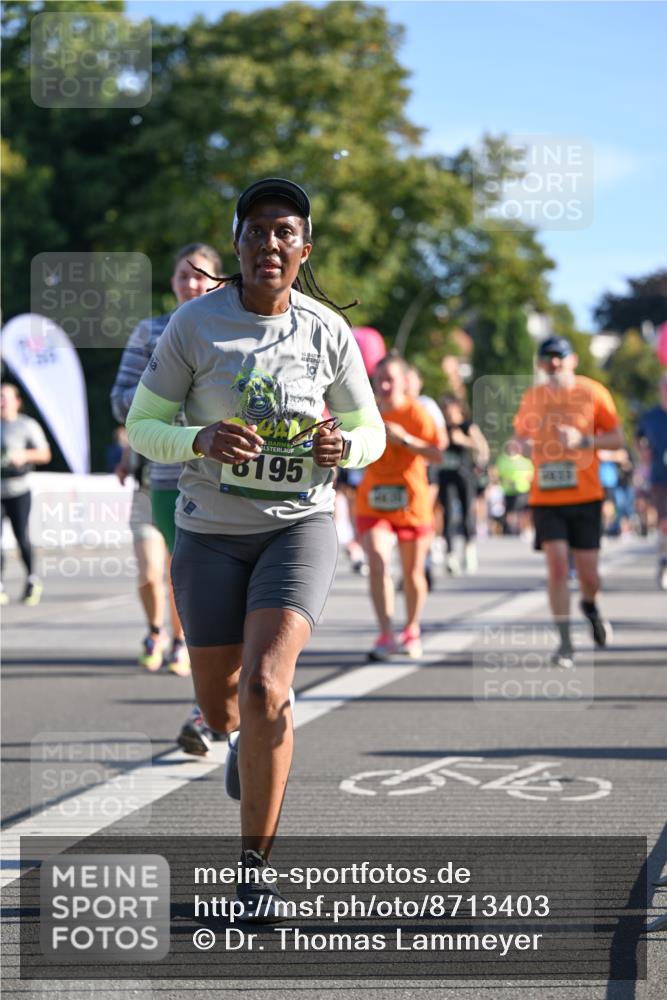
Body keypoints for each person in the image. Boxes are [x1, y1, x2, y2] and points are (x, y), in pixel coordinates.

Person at [126, 178, 385, 919]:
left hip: (296, 525)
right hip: (208, 531)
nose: (270, 243)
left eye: (285, 232)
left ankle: (253, 869)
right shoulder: (193, 324)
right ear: (236, 242)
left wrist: (347, 446)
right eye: (257, 229)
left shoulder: (325, 331)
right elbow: (142, 424)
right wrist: (196, 438)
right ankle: (234, 734)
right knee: (222, 702)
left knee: (268, 685)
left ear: (304, 250)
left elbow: (370, 430)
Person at [111, 243, 222, 681]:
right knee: (149, 567)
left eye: (201, 275)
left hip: (210, 476)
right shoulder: (150, 332)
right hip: (155, 473)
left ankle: (183, 641)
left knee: (183, 572)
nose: (192, 283)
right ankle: (156, 632)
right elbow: (119, 402)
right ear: (172, 282)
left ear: (217, 281)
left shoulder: (228, 332)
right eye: (183, 275)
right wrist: (158, 404)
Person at [513, 335, 624, 668]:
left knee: (589, 576)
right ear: (540, 364)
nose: (553, 364)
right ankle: (564, 642)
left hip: (586, 496)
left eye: (559, 357)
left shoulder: (592, 392)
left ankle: (590, 606)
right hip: (546, 496)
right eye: (546, 358)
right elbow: (520, 435)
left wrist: (584, 439)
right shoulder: (533, 397)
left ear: (572, 359)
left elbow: (618, 438)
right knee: (558, 567)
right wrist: (518, 446)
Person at [356, 353, 445, 660]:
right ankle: (386, 634)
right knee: (378, 561)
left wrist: (405, 440)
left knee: (412, 573)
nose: (383, 385)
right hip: (373, 501)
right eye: (378, 379)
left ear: (405, 382)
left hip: (411, 502)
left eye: (389, 379)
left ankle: (411, 628)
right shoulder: (366, 412)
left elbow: (437, 453)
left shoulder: (418, 413)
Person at [0, 383, 52, 605]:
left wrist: (23, 455)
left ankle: (32, 579)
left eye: (4, 397)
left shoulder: (26, 425)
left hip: (18, 489)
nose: (1, 401)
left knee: (21, 536)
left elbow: (45, 454)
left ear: (17, 401)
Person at [437, 395, 488, 575]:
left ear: (458, 408)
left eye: (450, 408)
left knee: (467, 512)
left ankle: (468, 550)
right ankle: (450, 555)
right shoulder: (441, 428)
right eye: (444, 409)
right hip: (445, 474)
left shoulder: (468, 426)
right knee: (448, 514)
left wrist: (463, 440)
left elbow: (483, 448)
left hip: (465, 475)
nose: (447, 413)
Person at [637, 372, 667, 589]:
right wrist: (643, 451)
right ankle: (664, 559)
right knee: (665, 521)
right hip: (660, 476)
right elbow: (639, 437)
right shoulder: (651, 416)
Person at [496, 438, 534, 537]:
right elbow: (498, 474)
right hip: (508, 491)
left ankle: (522, 529)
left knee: (522, 511)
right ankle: (510, 530)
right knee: (510, 511)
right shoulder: (502, 460)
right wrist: (505, 480)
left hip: (522, 490)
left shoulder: (525, 461)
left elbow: (531, 475)